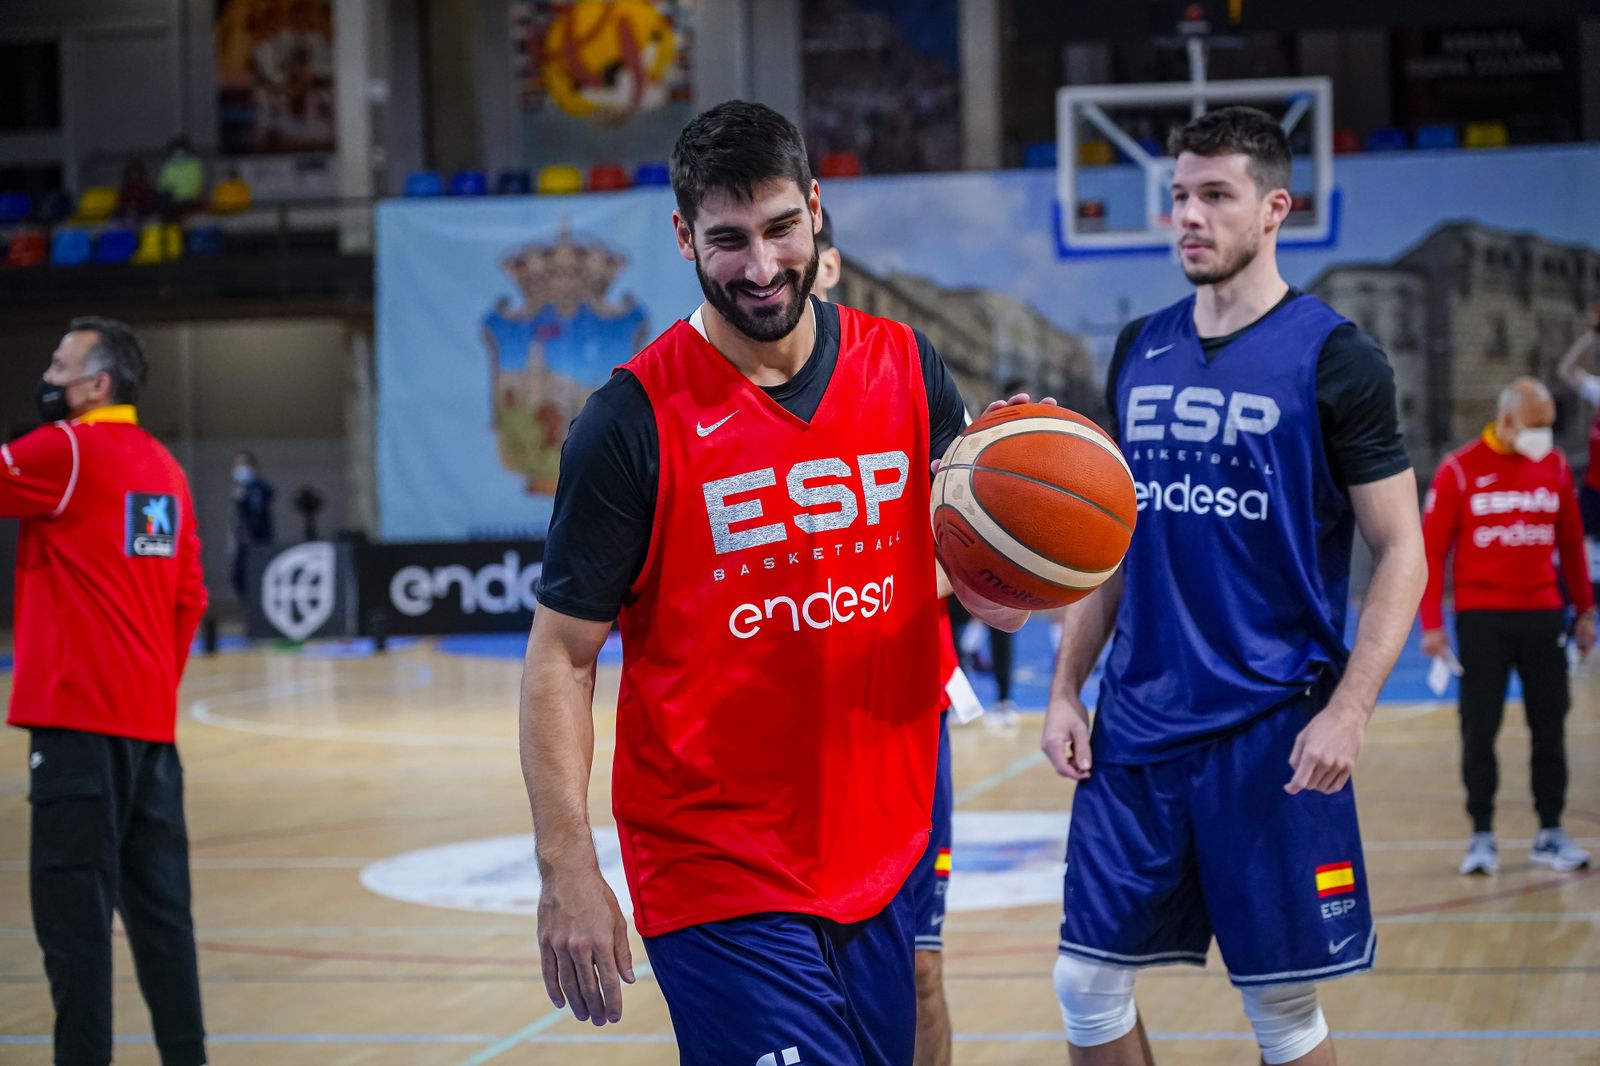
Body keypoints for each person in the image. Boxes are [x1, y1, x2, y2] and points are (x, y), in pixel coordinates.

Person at [519, 100, 1022, 1064]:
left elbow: (978, 586)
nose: (760, 267)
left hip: (881, 850)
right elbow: (559, 658)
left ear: (816, 208)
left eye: (781, 229)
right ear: (683, 237)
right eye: (728, 240)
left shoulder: (909, 370)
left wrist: (1026, 533)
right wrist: (567, 863)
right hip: (717, 870)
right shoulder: (628, 421)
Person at [1044, 107, 1425, 1066]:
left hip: (1270, 731)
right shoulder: (1138, 348)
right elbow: (1107, 544)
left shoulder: (1338, 358)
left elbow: (1402, 550)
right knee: (1083, 985)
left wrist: (1351, 711)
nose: (1189, 217)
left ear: (1274, 210)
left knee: (1281, 1010)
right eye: (1179, 196)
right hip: (1136, 726)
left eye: (1216, 196)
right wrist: (1063, 691)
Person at [3, 318, 209, 1066]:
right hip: (151, 739)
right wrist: (152, 688)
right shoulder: (166, 469)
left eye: (59, 365)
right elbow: (190, 598)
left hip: (75, 734)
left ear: (97, 385)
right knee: (165, 926)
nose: (48, 377)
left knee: (74, 934)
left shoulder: (62, 450)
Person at [815, 204, 962, 1066]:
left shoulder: (903, 378)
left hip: (906, 718)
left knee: (919, 969)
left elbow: (965, 544)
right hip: (788, 739)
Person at [1421, 378, 1594, 875]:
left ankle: (1551, 833)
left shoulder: (1555, 466)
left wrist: (1583, 610)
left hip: (1544, 616)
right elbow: (1431, 553)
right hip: (1482, 620)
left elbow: (1571, 542)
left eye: (1549, 425)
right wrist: (1432, 624)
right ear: (1509, 418)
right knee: (1479, 731)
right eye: (1537, 425)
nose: (1545, 434)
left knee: (1550, 728)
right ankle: (1481, 836)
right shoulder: (1459, 470)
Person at [1553, 304, 1600, 594]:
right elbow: (1565, 370)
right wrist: (1591, 336)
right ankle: (1580, 602)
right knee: (1577, 541)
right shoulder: (1598, 391)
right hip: (1594, 489)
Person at [229, 449, 276, 601]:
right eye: (237, 465)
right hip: (242, 540)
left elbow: (257, 514)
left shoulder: (257, 488)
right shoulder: (240, 489)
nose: (239, 469)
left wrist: (249, 535)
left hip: (255, 541)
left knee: (254, 576)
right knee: (239, 578)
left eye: (243, 464)